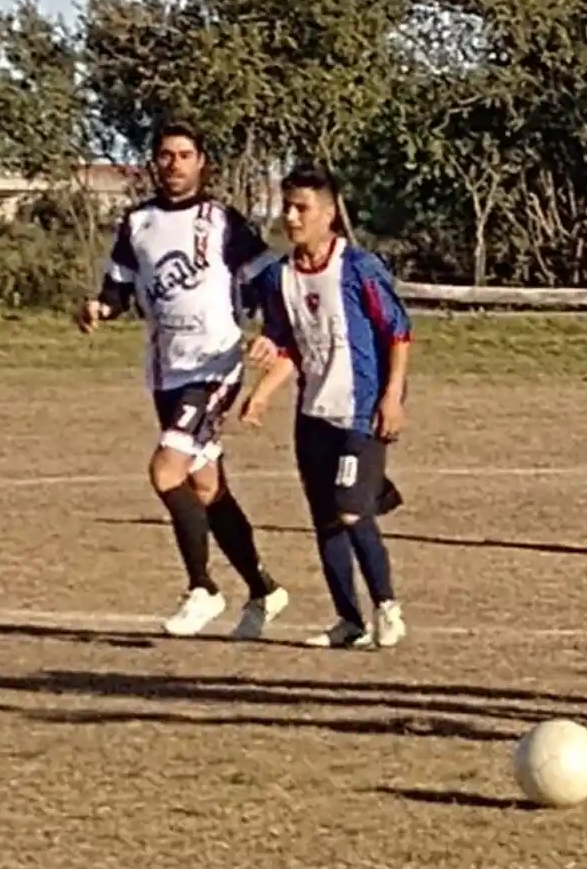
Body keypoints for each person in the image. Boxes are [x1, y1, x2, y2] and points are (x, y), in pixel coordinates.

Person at [75, 120, 289, 639]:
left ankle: (203, 589)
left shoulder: (221, 221)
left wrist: (271, 331)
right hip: (166, 369)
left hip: (214, 365)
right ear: (155, 162)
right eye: (166, 155)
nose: (174, 164)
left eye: (185, 155)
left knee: (165, 470)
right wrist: (99, 307)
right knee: (205, 485)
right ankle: (264, 589)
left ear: (201, 162)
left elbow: (266, 276)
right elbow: (120, 287)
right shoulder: (138, 222)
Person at [240, 163, 411, 650]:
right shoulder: (279, 277)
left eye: (302, 208)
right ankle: (348, 620)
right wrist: (263, 389)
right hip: (313, 413)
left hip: (361, 412)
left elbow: (398, 332)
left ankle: (386, 607)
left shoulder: (358, 268)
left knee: (351, 510)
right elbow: (288, 345)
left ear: (329, 213)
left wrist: (393, 395)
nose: (291, 217)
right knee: (326, 519)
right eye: (287, 207)